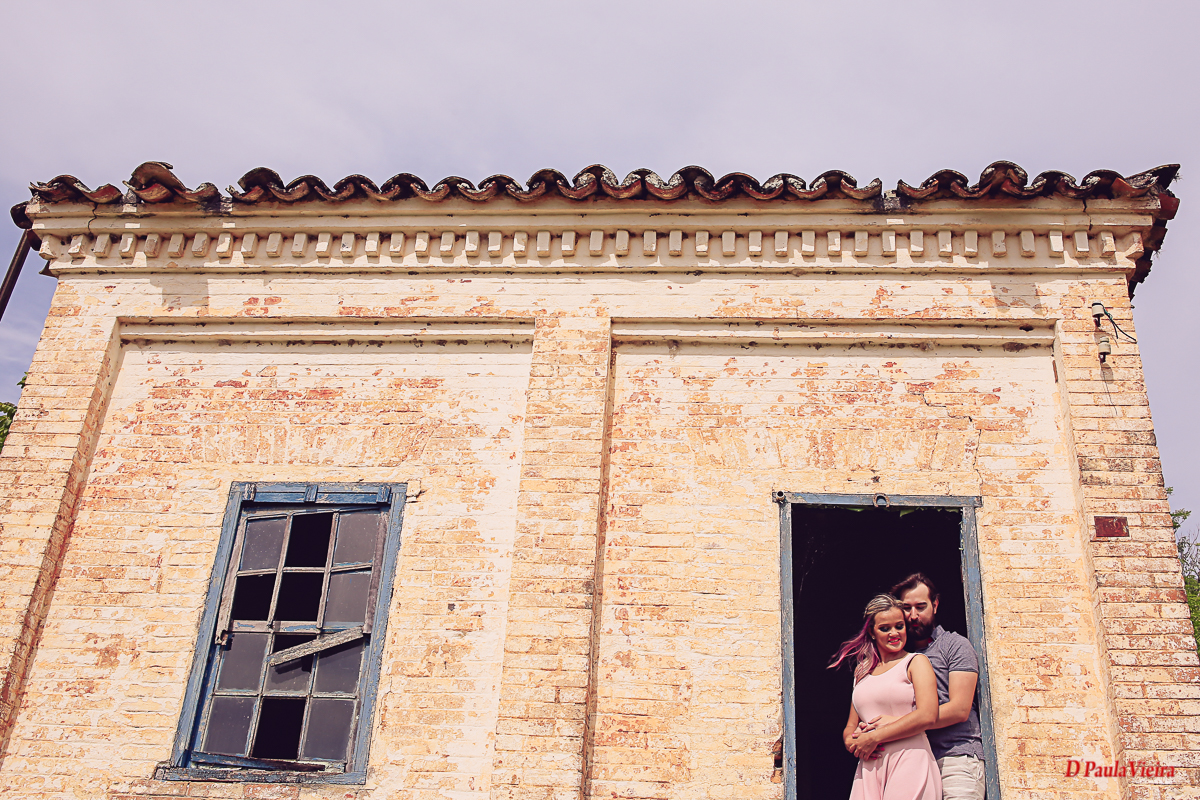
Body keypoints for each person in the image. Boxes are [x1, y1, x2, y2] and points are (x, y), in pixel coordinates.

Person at [863, 574, 985, 800]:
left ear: (935, 604)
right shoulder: (897, 657)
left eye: (921, 606)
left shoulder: (955, 645)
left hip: (955, 758)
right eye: (907, 608)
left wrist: (897, 723)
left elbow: (959, 709)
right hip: (911, 760)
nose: (913, 615)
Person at [829, 594, 942, 800]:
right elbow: (851, 725)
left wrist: (874, 737)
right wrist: (851, 742)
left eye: (899, 626)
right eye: (885, 628)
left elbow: (928, 715)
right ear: (871, 632)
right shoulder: (861, 671)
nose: (894, 633)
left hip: (909, 758)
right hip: (870, 766)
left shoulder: (916, 662)